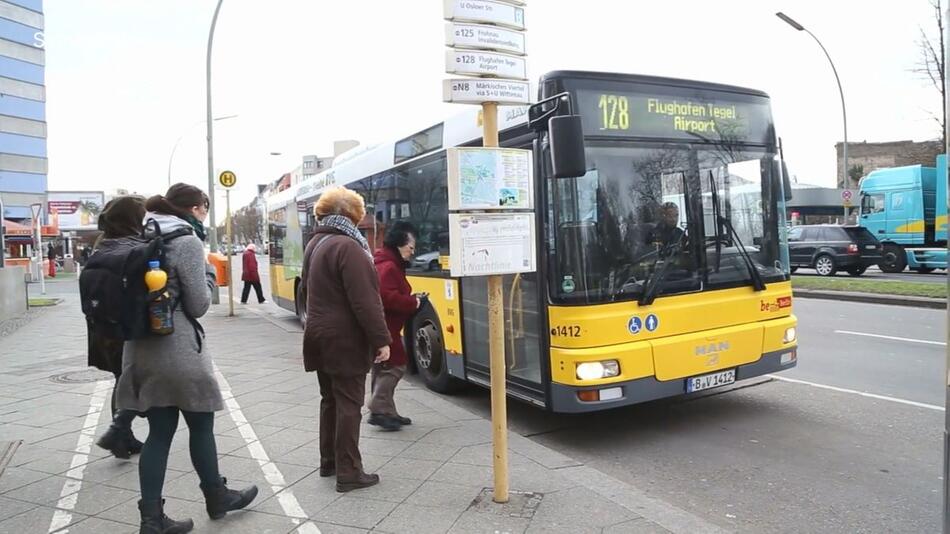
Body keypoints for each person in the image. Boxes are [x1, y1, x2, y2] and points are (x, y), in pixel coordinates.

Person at [115, 183, 257, 533]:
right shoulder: (187, 241)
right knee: (201, 425)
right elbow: (198, 304)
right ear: (195, 208)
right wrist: (209, 274)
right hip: (177, 350)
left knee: (159, 433)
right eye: (205, 208)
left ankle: (151, 519)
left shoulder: (140, 234)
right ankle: (217, 497)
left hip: (140, 348)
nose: (205, 215)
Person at [302, 186, 391, 493]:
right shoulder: (349, 247)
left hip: (318, 335)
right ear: (352, 214)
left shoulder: (316, 242)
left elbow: (305, 292)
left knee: (330, 401)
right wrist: (381, 339)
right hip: (344, 340)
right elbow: (365, 301)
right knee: (350, 404)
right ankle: (350, 471)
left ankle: (329, 461)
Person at [89, 196, 147, 459]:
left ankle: (123, 436)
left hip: (101, 325)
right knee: (131, 380)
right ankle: (120, 433)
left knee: (120, 379)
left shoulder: (103, 243)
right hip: (126, 326)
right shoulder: (133, 245)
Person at [368, 221, 421, 431]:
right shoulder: (389, 266)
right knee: (397, 365)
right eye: (411, 247)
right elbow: (386, 297)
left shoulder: (386, 261)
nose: (413, 252)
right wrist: (413, 302)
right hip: (386, 327)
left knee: (382, 368)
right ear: (399, 244)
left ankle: (386, 411)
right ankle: (378, 406)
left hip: (383, 325)